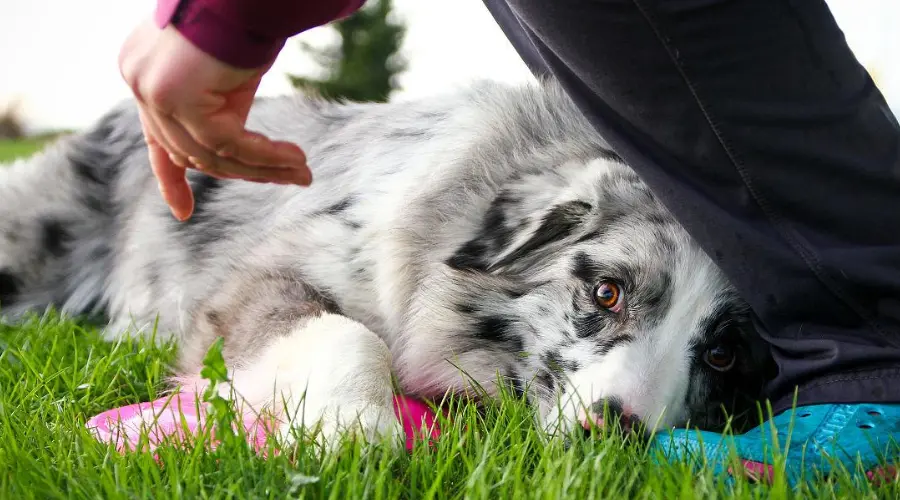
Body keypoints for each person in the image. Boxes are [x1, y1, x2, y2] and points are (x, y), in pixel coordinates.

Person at [120, 0, 900, 485]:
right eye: (606, 297)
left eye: (720, 356)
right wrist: (336, 379)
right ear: (525, 238)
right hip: (121, 189)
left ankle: (869, 377)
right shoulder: (495, 214)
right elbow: (259, 293)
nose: (631, 404)